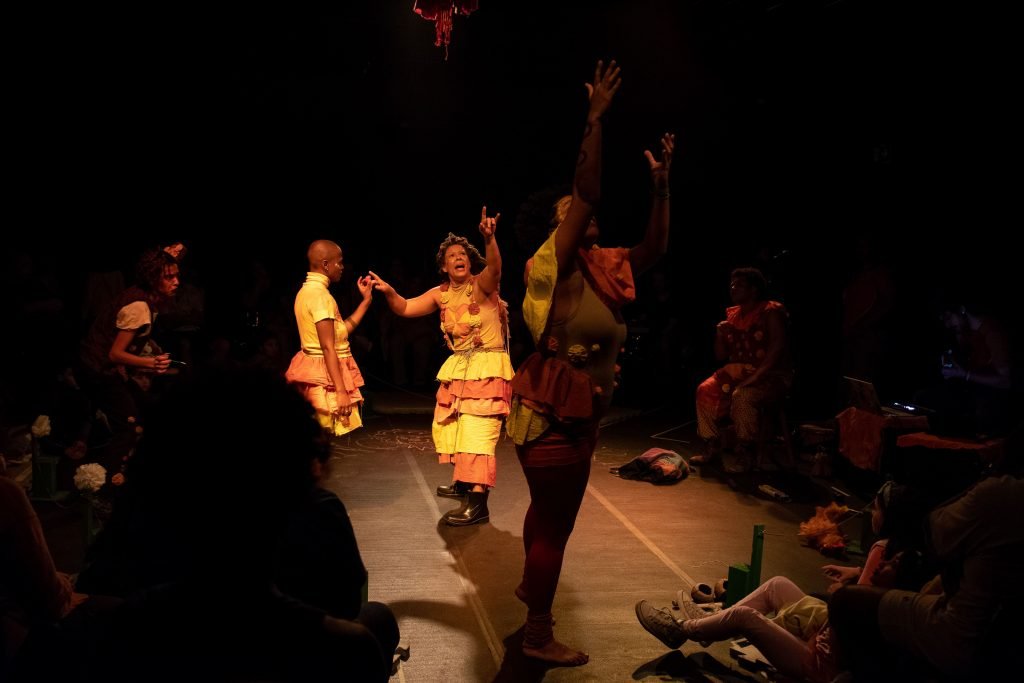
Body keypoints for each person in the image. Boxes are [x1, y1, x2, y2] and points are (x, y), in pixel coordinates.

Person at [507, 58, 673, 666]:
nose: (585, 218)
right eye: (572, 217)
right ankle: (536, 634)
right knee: (556, 526)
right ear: (558, 230)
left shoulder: (605, 268)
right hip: (555, 414)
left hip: (575, 415)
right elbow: (587, 192)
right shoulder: (554, 266)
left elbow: (655, 249)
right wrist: (595, 120)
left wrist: (661, 188)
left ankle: (533, 587)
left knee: (546, 515)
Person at [635, 481, 930, 683]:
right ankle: (708, 627)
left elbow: (855, 623)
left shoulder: (883, 565)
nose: (870, 512)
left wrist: (845, 592)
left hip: (821, 664)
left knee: (744, 616)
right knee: (777, 584)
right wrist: (855, 574)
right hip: (828, 640)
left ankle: (682, 630)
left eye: (877, 508)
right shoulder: (899, 556)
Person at [368, 208, 512, 526]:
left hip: (486, 367)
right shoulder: (441, 295)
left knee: (477, 435)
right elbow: (405, 308)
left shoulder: (483, 285)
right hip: (459, 369)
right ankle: (464, 483)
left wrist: (489, 238)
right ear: (443, 265)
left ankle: (478, 503)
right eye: (452, 256)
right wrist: (390, 292)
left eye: (462, 254)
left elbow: (497, 268)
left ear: (469, 261)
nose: (458, 258)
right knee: (453, 428)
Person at [829, 469, 1024, 680]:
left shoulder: (1004, 491)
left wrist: (993, 472)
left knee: (845, 601)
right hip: (1008, 645)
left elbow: (935, 533)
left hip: (966, 635)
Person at [77, 248, 180, 467]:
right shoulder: (139, 306)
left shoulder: (145, 296)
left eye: (177, 275)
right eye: (169, 277)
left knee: (144, 411)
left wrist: (150, 348)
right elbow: (114, 354)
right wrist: (151, 363)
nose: (176, 282)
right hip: (97, 370)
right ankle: (103, 484)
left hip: (102, 368)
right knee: (128, 428)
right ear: (153, 279)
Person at [691, 267, 792, 473]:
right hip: (738, 373)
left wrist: (755, 376)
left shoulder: (770, 312)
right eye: (732, 285)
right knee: (705, 389)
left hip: (771, 376)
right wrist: (719, 335)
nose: (733, 289)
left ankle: (746, 452)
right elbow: (720, 356)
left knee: (742, 396)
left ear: (754, 290)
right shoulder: (734, 316)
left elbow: (777, 348)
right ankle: (711, 445)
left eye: (739, 285)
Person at [285, 239, 373, 437]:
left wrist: (366, 301)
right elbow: (327, 347)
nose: (342, 267)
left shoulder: (310, 292)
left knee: (315, 439)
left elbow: (339, 333)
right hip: (323, 376)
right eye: (339, 262)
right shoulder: (319, 296)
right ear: (326, 264)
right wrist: (341, 391)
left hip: (320, 368)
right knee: (316, 437)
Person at [914, 299, 1012, 436]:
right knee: (923, 398)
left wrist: (964, 374)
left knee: (981, 408)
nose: (948, 325)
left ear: (961, 310)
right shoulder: (964, 334)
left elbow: (1006, 381)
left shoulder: (991, 331)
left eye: (949, 317)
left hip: (994, 393)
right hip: (972, 389)